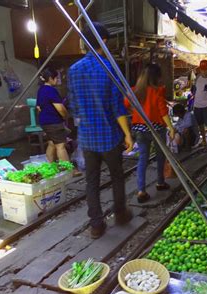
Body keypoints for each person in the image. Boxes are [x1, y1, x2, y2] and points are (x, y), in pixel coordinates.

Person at [68, 23, 134, 238]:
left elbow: (74, 107)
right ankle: (121, 213)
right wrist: (127, 134)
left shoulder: (73, 70)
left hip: (87, 138)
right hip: (109, 137)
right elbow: (117, 106)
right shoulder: (109, 67)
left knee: (92, 182)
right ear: (103, 41)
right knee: (116, 176)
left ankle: (96, 225)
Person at [125, 63, 175, 204]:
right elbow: (162, 111)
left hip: (139, 130)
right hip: (156, 129)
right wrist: (171, 127)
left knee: (143, 159)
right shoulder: (157, 91)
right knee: (160, 156)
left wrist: (135, 114)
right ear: (156, 77)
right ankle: (160, 182)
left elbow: (125, 105)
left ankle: (141, 191)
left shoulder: (134, 91)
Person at [36, 67, 70, 163]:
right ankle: (68, 170)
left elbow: (38, 107)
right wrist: (65, 116)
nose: (57, 80)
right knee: (60, 146)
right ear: (51, 78)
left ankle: (50, 167)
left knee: (51, 144)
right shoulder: (51, 90)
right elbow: (60, 108)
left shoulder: (41, 90)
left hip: (44, 122)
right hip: (54, 122)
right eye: (56, 78)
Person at [193, 59, 207, 147]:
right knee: (200, 123)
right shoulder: (198, 77)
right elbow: (195, 88)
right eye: (202, 69)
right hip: (197, 104)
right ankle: (204, 140)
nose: (203, 71)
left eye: (205, 69)